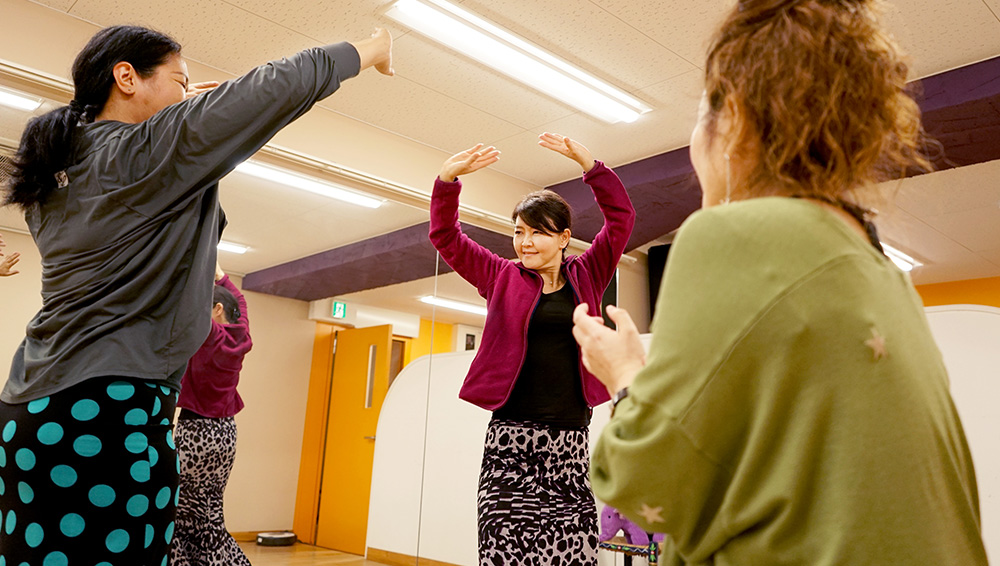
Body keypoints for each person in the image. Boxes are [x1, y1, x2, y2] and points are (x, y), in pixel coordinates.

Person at [572, 1, 989, 565]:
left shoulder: (730, 236)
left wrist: (624, 374)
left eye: (699, 116)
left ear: (736, 119)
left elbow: (647, 489)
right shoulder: (886, 275)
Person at [0, 24, 392, 564]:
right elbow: (271, 87)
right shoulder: (141, 150)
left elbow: (172, 222)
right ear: (126, 77)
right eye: (180, 81)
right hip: (106, 410)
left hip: (33, 409)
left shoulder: (55, 178)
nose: (188, 94)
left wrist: (182, 118)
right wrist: (369, 50)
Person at [429, 132, 635, 565]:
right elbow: (446, 236)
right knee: (503, 552)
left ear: (563, 238)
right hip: (511, 444)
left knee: (574, 557)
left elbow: (622, 220)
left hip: (569, 443)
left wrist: (590, 165)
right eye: (519, 232)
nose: (525, 242)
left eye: (538, 233)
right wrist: (448, 180)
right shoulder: (499, 275)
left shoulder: (590, 273)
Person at [171, 263, 252, 566]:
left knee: (184, 515)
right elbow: (240, 304)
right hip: (225, 436)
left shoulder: (207, 336)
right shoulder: (240, 338)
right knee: (210, 512)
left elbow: (187, 304)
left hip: (196, 435)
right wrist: (222, 277)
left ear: (217, 309)